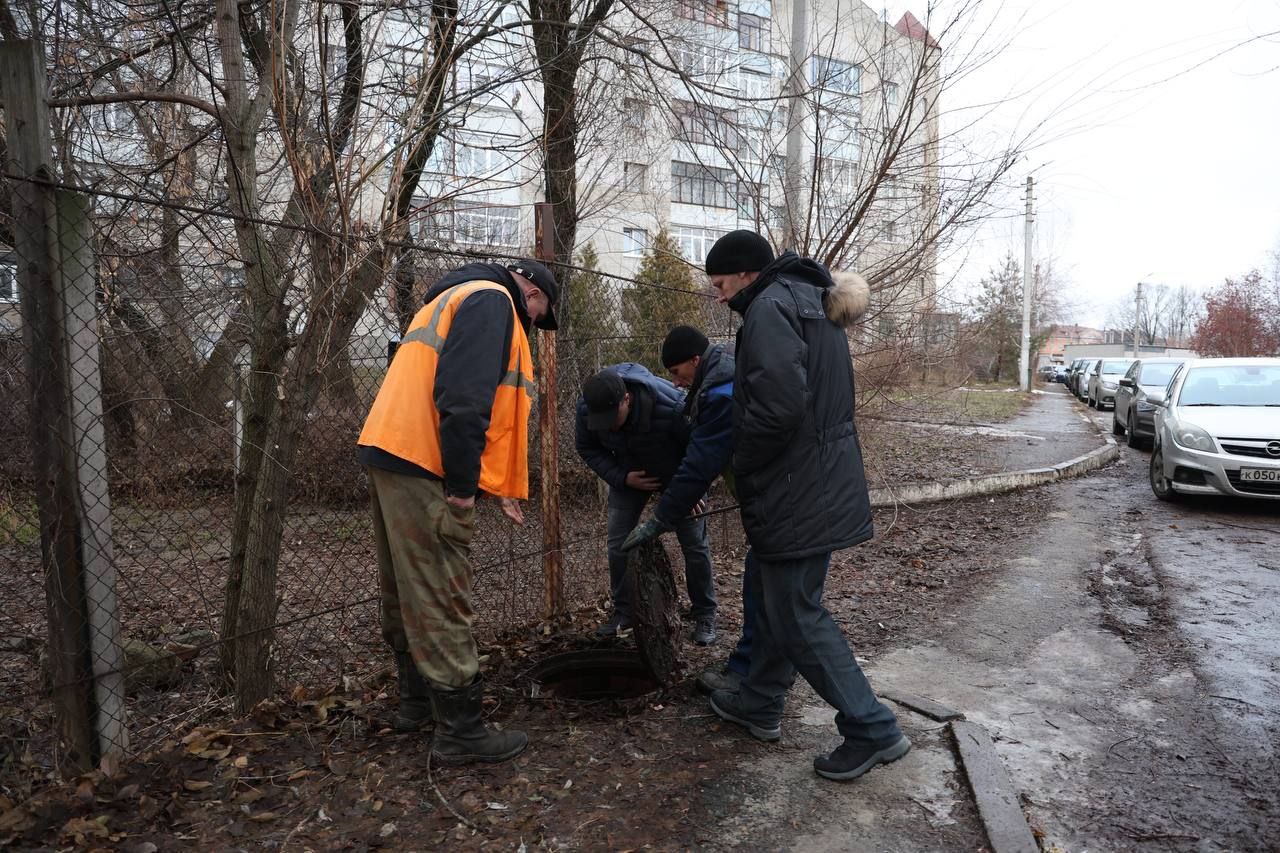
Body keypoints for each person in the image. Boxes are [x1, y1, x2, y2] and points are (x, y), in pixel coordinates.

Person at [701, 229, 910, 782]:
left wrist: (741, 460)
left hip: (794, 486)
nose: (718, 296)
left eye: (720, 284)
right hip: (815, 478)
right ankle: (760, 699)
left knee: (796, 610)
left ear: (746, 274)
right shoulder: (807, 303)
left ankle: (871, 727)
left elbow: (779, 408)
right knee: (778, 601)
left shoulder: (770, 309)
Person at [357, 258, 558, 766]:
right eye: (540, 314)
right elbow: (465, 401)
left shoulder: (449, 298)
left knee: (405, 586)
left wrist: (499, 485)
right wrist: (465, 490)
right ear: (532, 293)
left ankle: (417, 703)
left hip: (392, 451)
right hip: (426, 462)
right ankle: (462, 731)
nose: (533, 325)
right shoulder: (492, 303)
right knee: (441, 591)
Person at [575, 362, 718, 644]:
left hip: (677, 475)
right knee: (619, 542)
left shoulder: (672, 405)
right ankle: (624, 612)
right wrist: (622, 477)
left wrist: (689, 492)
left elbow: (701, 449)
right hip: (631, 474)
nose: (608, 426)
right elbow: (587, 448)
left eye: (611, 417)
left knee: (693, 542)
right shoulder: (589, 406)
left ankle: (704, 613)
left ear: (626, 398)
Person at [619, 325, 737, 648]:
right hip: (665, 478)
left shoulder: (713, 394)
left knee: (696, 546)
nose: (674, 381)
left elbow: (700, 457)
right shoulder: (714, 378)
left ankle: (706, 614)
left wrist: (673, 507)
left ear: (695, 361)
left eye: (676, 371)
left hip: (690, 481)